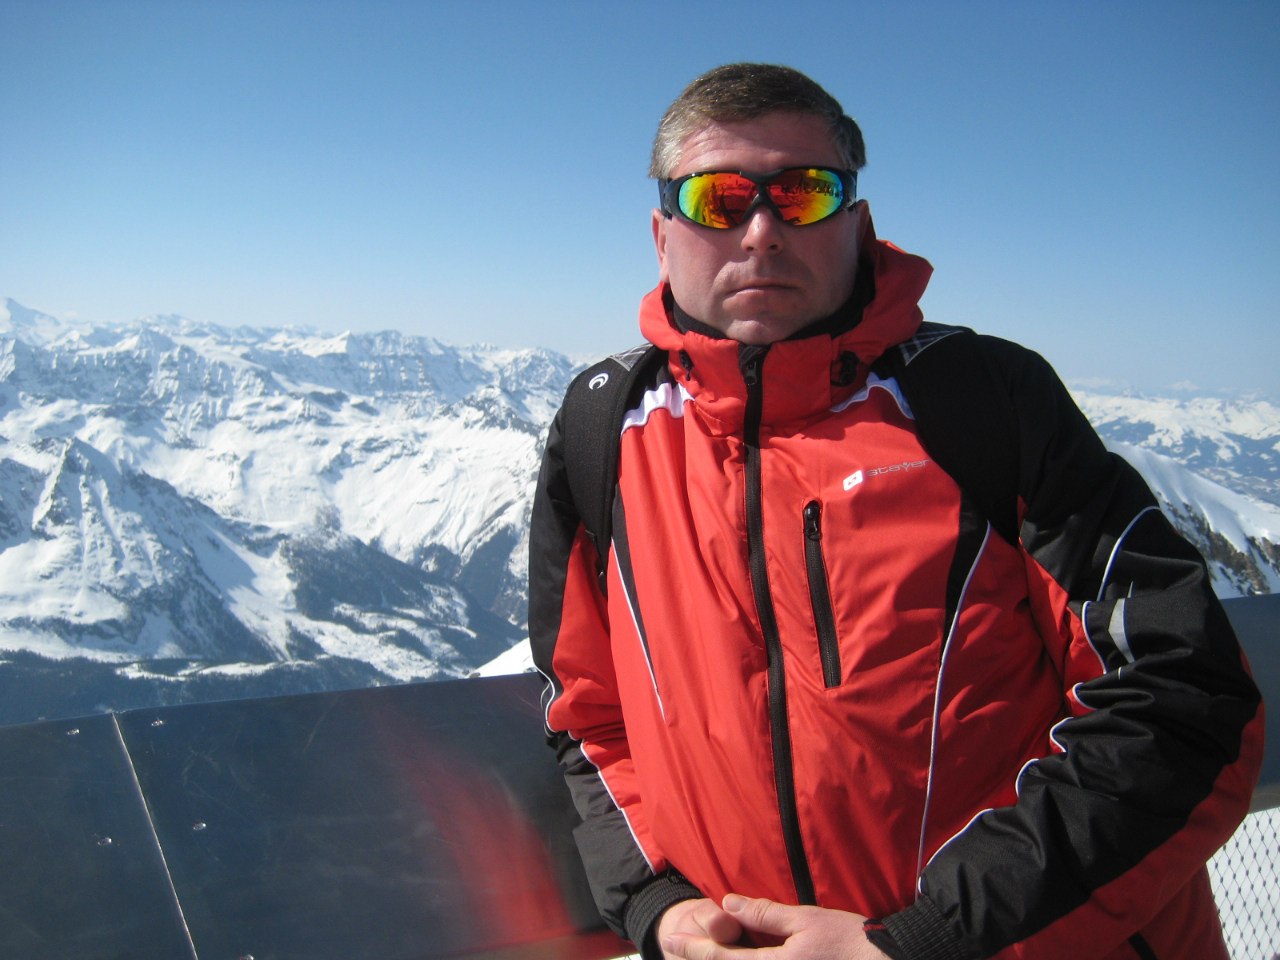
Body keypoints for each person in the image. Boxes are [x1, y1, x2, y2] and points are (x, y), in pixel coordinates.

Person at [528, 63, 1263, 960]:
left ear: (859, 221)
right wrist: (657, 902)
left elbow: (1184, 700)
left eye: (804, 193)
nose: (761, 231)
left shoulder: (983, 402)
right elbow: (588, 717)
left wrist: (921, 943)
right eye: (718, 199)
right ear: (661, 236)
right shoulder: (603, 430)